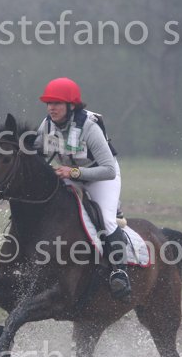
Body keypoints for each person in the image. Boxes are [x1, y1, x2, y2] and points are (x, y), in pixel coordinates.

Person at [33, 77, 131, 301]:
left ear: (71, 105)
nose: (51, 108)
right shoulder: (47, 126)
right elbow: (35, 151)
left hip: (101, 177)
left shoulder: (89, 127)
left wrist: (74, 173)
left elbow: (109, 170)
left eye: (57, 103)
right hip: (70, 175)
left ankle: (120, 272)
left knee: (106, 221)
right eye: (49, 103)